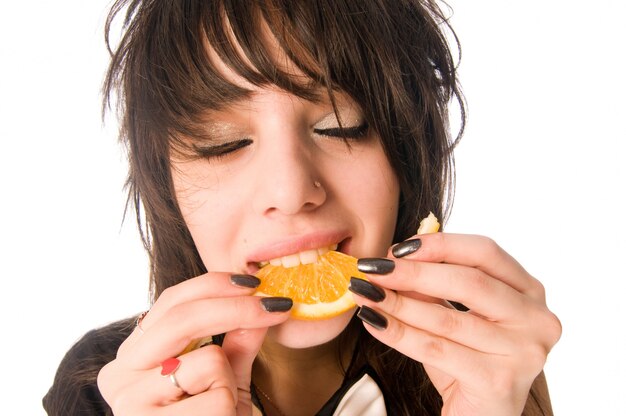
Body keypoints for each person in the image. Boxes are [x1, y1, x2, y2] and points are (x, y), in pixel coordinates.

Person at [43, 0, 561, 414]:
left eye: (341, 125)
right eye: (222, 142)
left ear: (407, 154)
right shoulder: (104, 390)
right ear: (167, 188)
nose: (291, 192)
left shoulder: (482, 360)